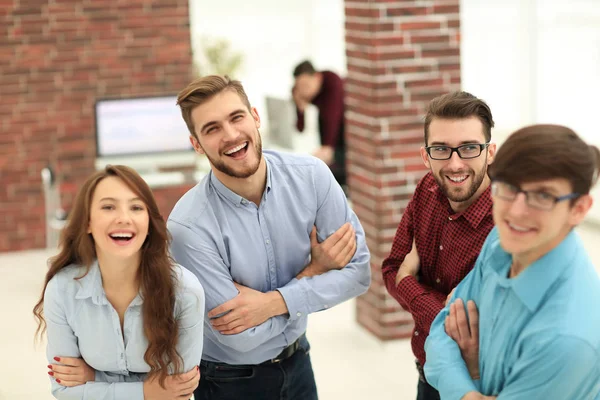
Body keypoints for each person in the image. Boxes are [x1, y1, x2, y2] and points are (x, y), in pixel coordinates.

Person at [169, 74, 371, 400]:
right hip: (229, 382)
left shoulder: (312, 177)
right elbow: (240, 336)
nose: (231, 135)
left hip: (299, 361)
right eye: (212, 128)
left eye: (237, 118)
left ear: (255, 116)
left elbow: (359, 275)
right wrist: (314, 273)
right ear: (196, 144)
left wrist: (272, 303)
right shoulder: (188, 227)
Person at [424, 125, 600, 400]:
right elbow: (440, 333)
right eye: (508, 187)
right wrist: (468, 393)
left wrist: (474, 371)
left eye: (542, 196)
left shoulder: (567, 338)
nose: (516, 212)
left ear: (578, 209)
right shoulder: (501, 241)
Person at [33, 165, 205, 400]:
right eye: (108, 207)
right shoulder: (62, 290)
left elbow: (178, 391)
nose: (124, 218)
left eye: (136, 207)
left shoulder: (185, 291)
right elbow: (64, 391)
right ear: (88, 222)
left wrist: (94, 377)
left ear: (148, 223)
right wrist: (145, 391)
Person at [381, 91, 497, 400]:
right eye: (441, 149)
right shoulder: (428, 188)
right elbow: (390, 268)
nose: (455, 164)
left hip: (478, 386)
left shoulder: (506, 224)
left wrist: (408, 282)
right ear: (425, 155)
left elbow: (477, 328)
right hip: (426, 372)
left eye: (469, 148)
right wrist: (438, 306)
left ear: (490, 152)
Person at [292, 60, 347, 187]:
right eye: (299, 87)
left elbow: (332, 117)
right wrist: (300, 108)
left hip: (343, 131)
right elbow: (300, 127)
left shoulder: (332, 81)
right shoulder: (299, 90)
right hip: (326, 133)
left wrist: (327, 147)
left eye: (306, 86)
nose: (303, 91)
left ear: (317, 77)